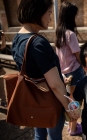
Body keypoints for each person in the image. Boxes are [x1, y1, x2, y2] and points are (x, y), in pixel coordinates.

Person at [11, 0, 79, 139]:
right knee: (54, 136)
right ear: (36, 12)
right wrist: (69, 108)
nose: (50, 18)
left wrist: (60, 78)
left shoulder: (17, 38)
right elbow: (54, 85)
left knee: (39, 135)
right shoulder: (38, 43)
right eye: (48, 13)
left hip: (35, 98)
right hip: (50, 101)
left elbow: (32, 70)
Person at [55, 1, 84, 136]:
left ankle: (72, 125)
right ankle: (73, 129)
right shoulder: (70, 34)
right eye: (74, 15)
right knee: (76, 102)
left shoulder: (59, 33)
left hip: (65, 73)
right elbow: (78, 55)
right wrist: (85, 67)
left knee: (70, 101)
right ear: (70, 16)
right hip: (75, 71)